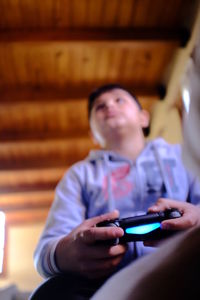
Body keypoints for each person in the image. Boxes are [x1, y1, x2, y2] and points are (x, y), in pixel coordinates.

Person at [33, 83, 200, 299]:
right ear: (93, 134)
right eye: (100, 106)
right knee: (51, 293)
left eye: (119, 100)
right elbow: (44, 252)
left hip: (183, 267)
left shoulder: (182, 155)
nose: (109, 106)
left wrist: (196, 218)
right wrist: (65, 253)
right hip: (105, 282)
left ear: (143, 118)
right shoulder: (79, 175)